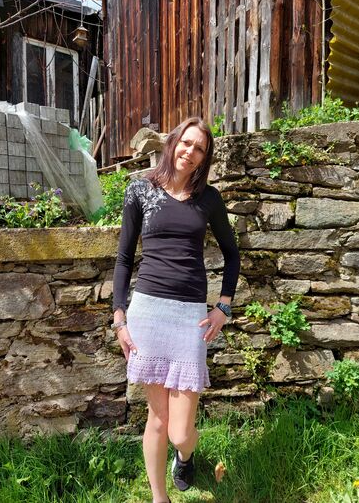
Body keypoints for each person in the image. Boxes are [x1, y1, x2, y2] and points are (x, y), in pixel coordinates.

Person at [112, 117, 240, 503]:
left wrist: (223, 307)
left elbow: (232, 254)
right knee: (158, 418)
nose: (190, 151)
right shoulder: (140, 189)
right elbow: (123, 258)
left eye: (199, 148)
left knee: (181, 432)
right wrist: (119, 318)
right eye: (186, 142)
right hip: (148, 313)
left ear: (205, 157)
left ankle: (184, 456)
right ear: (173, 143)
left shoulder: (208, 199)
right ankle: (159, 498)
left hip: (189, 317)